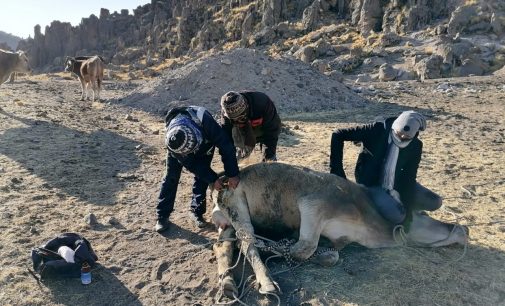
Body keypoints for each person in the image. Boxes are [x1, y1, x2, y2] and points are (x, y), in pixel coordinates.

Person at [329, 110, 442, 225]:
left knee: (435, 202)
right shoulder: (376, 130)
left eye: (407, 137)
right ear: (395, 126)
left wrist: (408, 210)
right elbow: (338, 134)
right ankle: (382, 207)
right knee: (397, 216)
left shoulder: (415, 146)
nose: (402, 137)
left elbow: (409, 177)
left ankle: (403, 209)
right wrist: (337, 171)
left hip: (397, 182)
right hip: (371, 183)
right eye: (399, 133)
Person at [155, 106, 240, 232]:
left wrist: (232, 174)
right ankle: (162, 216)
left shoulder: (205, 121)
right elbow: (193, 165)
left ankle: (196, 212)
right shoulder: (173, 145)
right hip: (179, 152)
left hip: (205, 145)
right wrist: (212, 179)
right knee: (170, 177)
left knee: (202, 179)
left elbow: (226, 146)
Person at [220, 91, 281, 162]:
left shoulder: (262, 103)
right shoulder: (226, 114)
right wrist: (230, 162)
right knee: (238, 160)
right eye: (233, 120)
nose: (237, 121)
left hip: (263, 128)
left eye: (240, 118)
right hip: (242, 131)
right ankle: (242, 154)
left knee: (269, 159)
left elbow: (271, 132)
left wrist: (268, 157)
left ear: (246, 107)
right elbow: (225, 141)